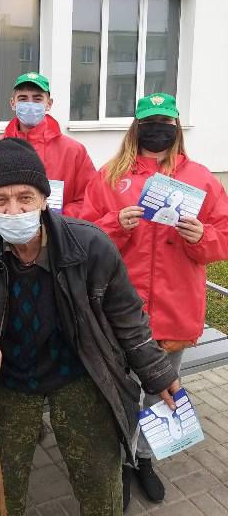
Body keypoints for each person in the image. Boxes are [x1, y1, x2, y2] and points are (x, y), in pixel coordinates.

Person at [0, 137, 180, 516]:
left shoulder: (89, 243)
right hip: (6, 378)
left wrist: (158, 373)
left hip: (80, 372)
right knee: (1, 491)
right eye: (0, 200)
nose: (14, 210)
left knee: (100, 486)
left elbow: (128, 318)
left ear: (45, 198)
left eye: (25, 197)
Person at [81, 92, 228, 509]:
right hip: (118, 311)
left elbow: (224, 236)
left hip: (174, 308)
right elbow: (83, 235)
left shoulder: (201, 178)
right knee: (116, 388)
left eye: (165, 121)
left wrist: (203, 236)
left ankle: (144, 459)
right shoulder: (110, 176)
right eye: (149, 121)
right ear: (136, 126)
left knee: (161, 388)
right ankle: (119, 461)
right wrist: (115, 223)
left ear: (176, 126)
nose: (157, 129)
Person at [0, 72, 95, 217]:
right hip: (3, 228)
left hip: (58, 229)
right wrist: (3, 211)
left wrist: (54, 219)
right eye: (23, 99)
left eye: (37, 99)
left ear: (49, 104)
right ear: (13, 103)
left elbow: (89, 198)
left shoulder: (74, 151)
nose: (30, 104)